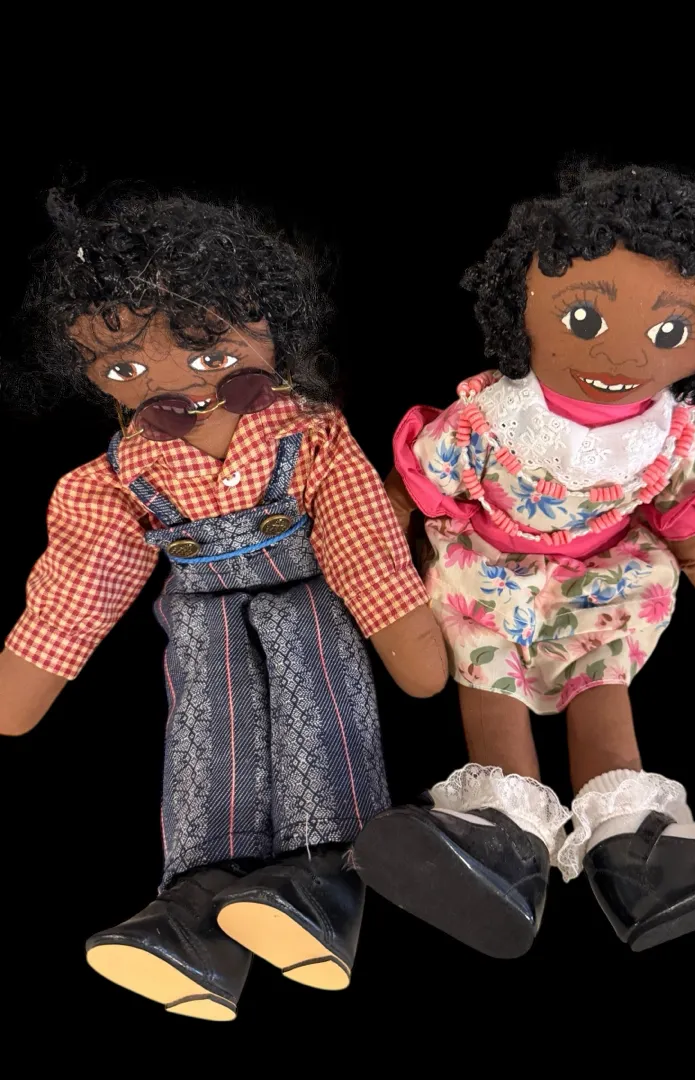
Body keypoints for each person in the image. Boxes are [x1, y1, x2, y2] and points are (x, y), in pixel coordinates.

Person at [0, 190, 447, 1018]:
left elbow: (357, 533)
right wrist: (31, 668)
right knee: (206, 730)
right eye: (125, 370)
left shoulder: (308, 432)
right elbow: (85, 574)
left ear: (268, 323)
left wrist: (398, 623)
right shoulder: (119, 475)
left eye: (207, 350)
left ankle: (324, 875)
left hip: (307, 594)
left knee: (317, 703)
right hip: (201, 613)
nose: (176, 383)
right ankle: (197, 902)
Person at [353, 165, 695, 957]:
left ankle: (633, 847)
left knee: (601, 681)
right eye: (585, 316)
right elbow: (413, 487)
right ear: (519, 301)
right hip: (488, 569)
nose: (623, 354)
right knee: (490, 674)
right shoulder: (489, 419)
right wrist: (369, 561)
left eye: (670, 333)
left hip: (603, 582)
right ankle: (504, 838)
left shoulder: (668, 437)